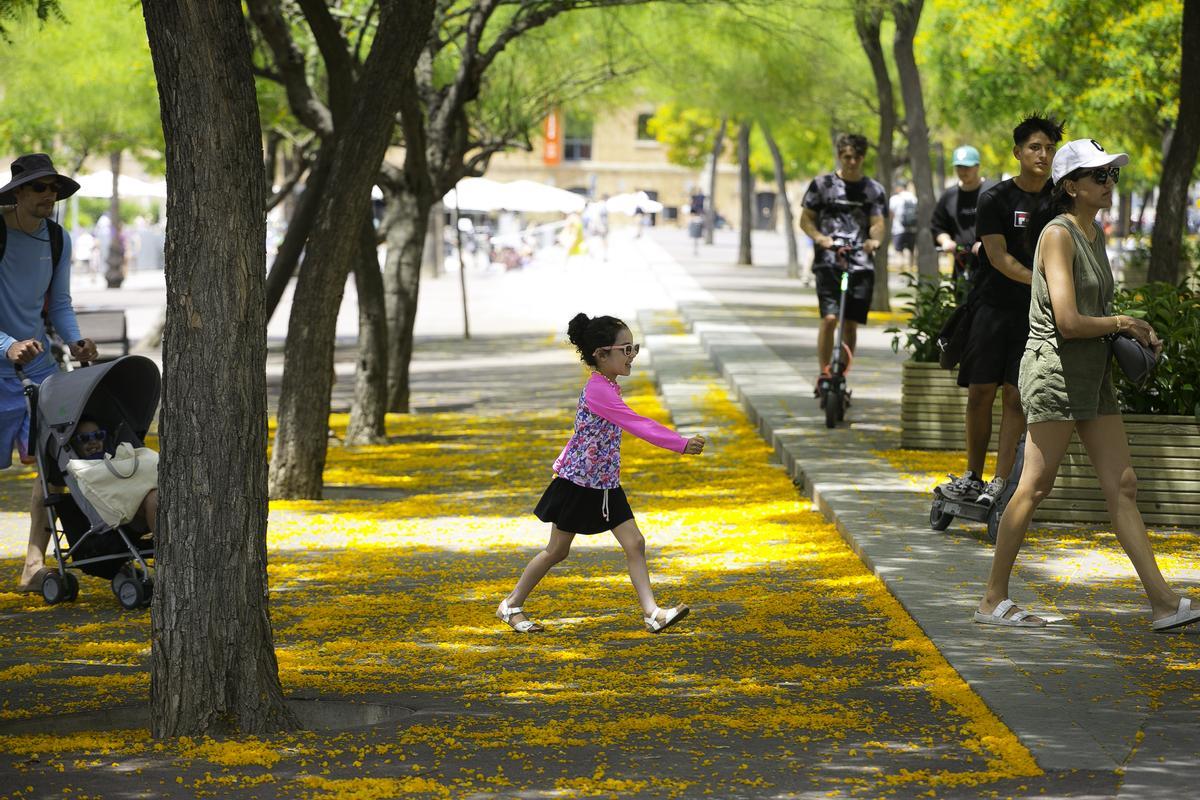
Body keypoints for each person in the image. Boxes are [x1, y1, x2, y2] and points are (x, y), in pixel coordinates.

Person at [976, 138, 1200, 632]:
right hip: (1054, 372)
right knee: (1033, 487)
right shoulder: (1057, 235)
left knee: (1123, 485)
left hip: (1092, 374)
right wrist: (1124, 322)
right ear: (1070, 186)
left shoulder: (1094, 233)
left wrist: (1129, 329)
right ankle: (993, 599)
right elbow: (1069, 320)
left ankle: (1163, 603)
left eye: (1112, 175)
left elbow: (1090, 318)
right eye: (1099, 176)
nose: (1108, 184)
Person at [497, 313, 706, 634]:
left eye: (633, 348)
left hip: (605, 484)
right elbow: (637, 423)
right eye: (626, 349)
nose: (632, 356)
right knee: (557, 551)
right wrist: (680, 443)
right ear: (601, 354)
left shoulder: (608, 386)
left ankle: (652, 614)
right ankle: (511, 605)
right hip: (579, 485)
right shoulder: (599, 390)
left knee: (635, 543)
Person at [943, 115, 1062, 507]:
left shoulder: (1061, 199)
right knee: (980, 393)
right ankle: (972, 476)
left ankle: (999, 482)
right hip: (992, 308)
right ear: (1018, 152)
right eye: (1034, 147)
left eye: (1048, 148)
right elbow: (997, 257)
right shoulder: (994, 199)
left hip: (1036, 316)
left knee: (1015, 397)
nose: (1042, 154)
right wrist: (1042, 282)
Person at [0, 154, 99, 592]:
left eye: (55, 189)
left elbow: (59, 303)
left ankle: (33, 566)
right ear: (18, 192)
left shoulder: (58, 239)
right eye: (40, 188)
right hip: (2, 365)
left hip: (39, 368)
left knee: (50, 466)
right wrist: (6, 345)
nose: (49, 196)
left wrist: (76, 341)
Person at [798, 133, 886, 392]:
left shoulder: (873, 189)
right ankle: (825, 373)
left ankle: (842, 374)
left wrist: (874, 241)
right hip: (829, 260)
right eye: (847, 156)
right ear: (839, 156)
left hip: (860, 262)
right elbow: (805, 219)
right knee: (829, 318)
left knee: (850, 323)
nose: (852, 162)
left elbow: (878, 224)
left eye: (857, 157)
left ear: (863, 158)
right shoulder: (822, 185)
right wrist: (819, 238)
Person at [70, 418, 158, 534]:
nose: (93, 441)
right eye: (84, 438)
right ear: (74, 444)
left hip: (143, 501)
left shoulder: (115, 459)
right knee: (155, 498)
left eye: (98, 435)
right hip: (123, 515)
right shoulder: (82, 472)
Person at [931, 145, 988, 297]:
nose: (962, 172)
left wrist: (988, 243)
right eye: (959, 167)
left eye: (967, 167)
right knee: (961, 308)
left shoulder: (992, 191)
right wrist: (945, 241)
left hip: (990, 264)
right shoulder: (949, 196)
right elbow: (937, 226)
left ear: (977, 166)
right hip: (961, 263)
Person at [889, 182, 918, 269]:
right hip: (912, 229)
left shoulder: (895, 198)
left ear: (899, 188)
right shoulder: (913, 198)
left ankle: (901, 274)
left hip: (898, 229)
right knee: (911, 252)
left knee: (898, 252)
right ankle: (910, 273)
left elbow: (891, 213)